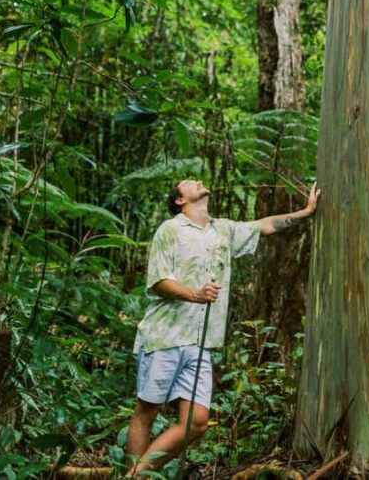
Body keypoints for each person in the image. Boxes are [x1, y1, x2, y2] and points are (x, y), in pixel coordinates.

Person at [126, 178, 321, 476]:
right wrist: (195, 294)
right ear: (180, 200)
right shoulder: (170, 229)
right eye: (189, 183)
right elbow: (158, 281)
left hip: (201, 342)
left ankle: (135, 476)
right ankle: (134, 474)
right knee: (147, 411)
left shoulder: (223, 229)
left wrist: (306, 212)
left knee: (196, 423)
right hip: (165, 335)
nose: (197, 182)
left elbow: (264, 226)